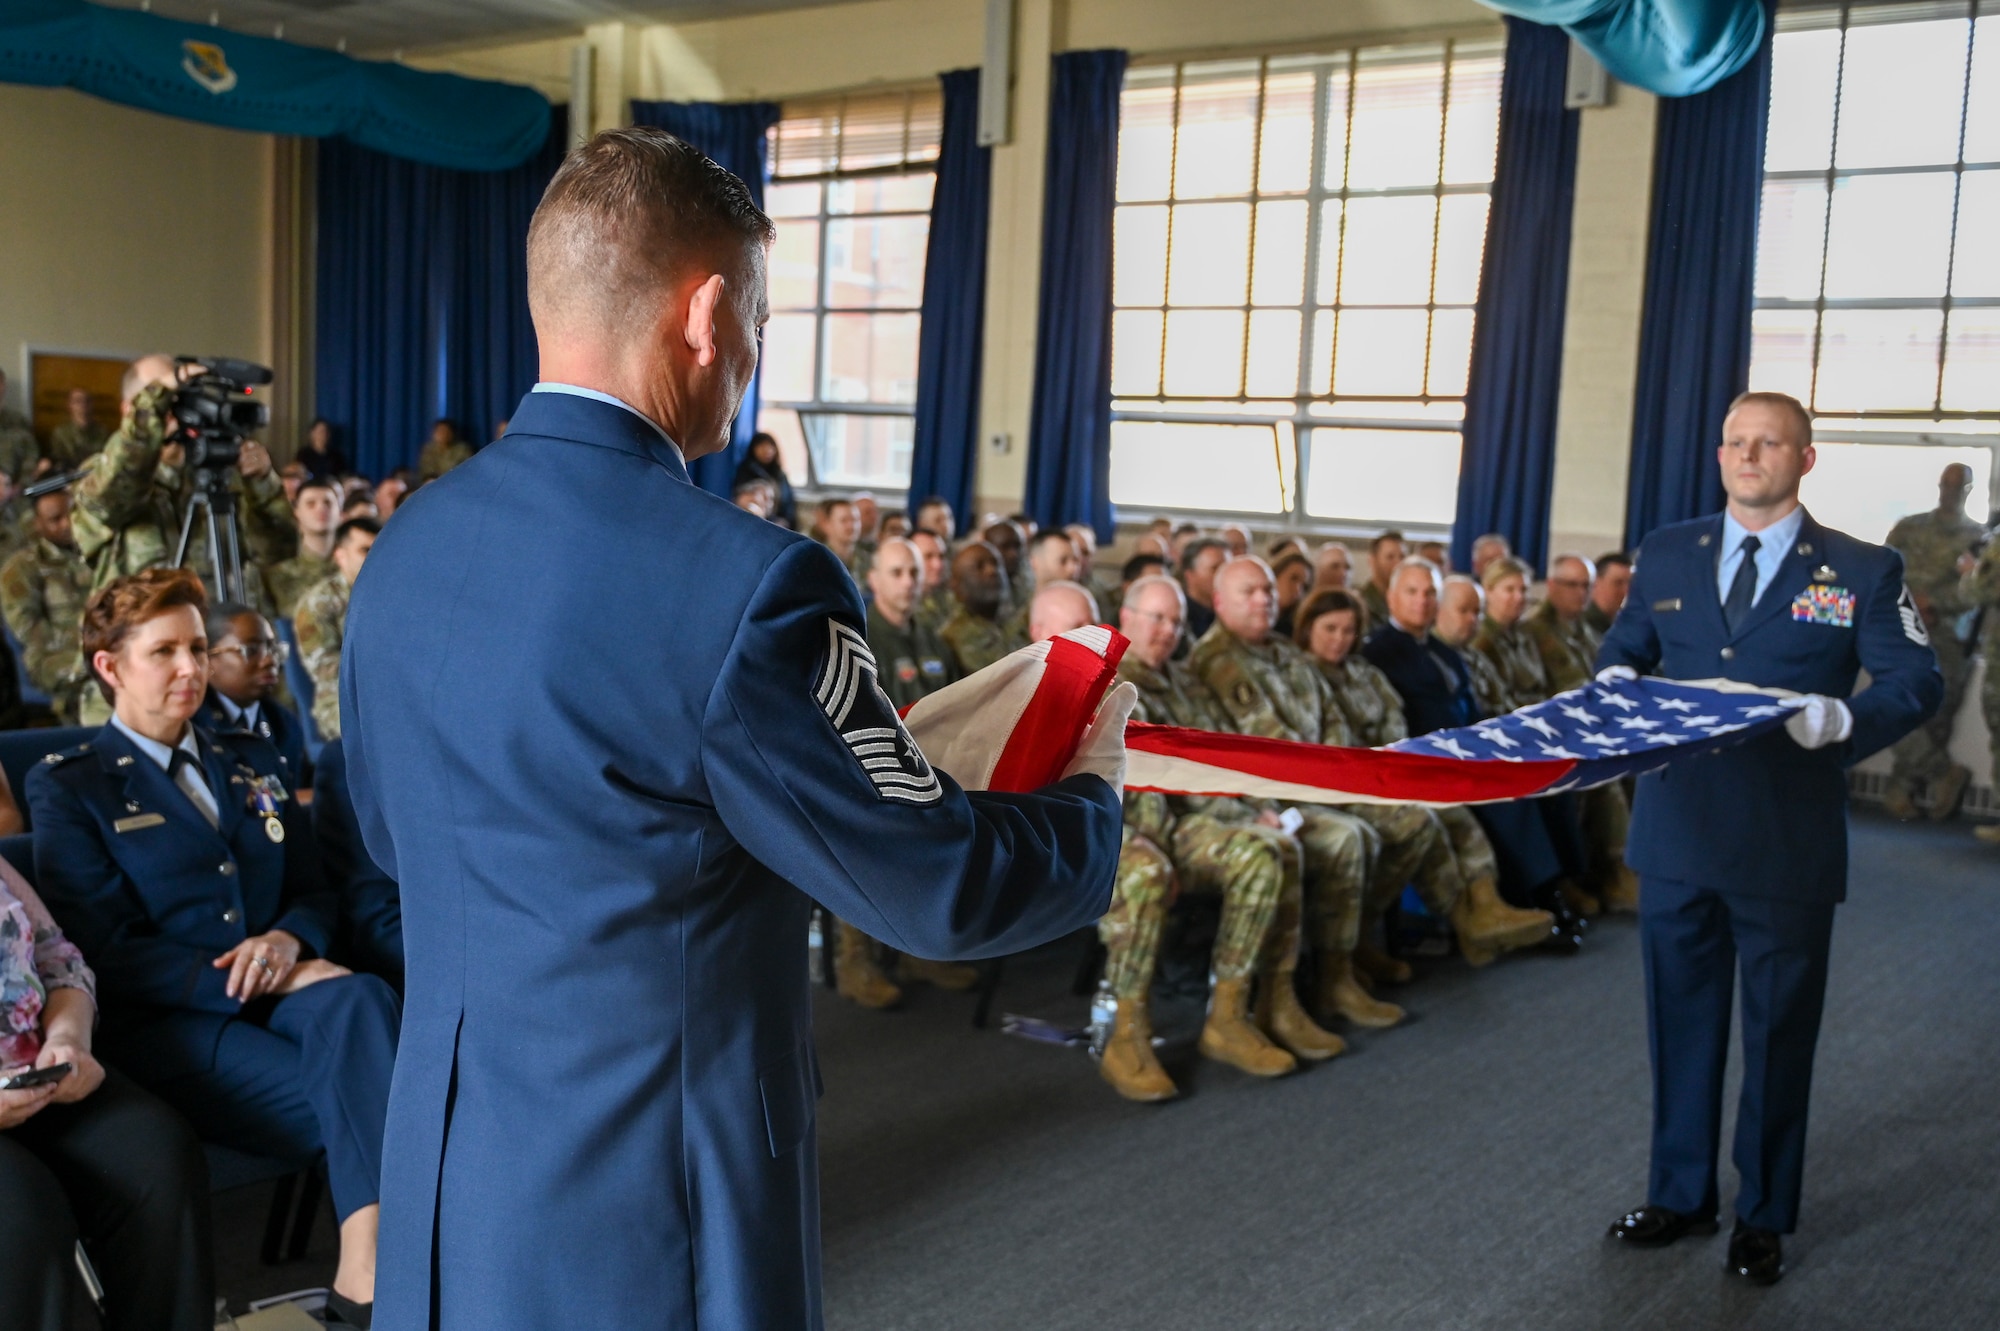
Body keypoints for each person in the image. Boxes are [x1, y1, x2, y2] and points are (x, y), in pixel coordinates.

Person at [337, 125, 1128, 1331]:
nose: (753, 353)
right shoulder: (752, 583)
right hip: (652, 1190)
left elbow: (396, 840)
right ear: (705, 312)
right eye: (758, 320)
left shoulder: (407, 546)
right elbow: (942, 894)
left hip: (448, 1171)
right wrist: (1091, 787)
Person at [1598, 390, 1939, 1285]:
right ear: (1720, 457)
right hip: (1677, 832)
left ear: (1805, 458)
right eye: (1737, 443)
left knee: (1779, 1034)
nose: (1750, 456)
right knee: (1681, 1025)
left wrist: (1846, 719)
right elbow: (1624, 647)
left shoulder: (1863, 568)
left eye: (1771, 443)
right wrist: (1614, 680)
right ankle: (1679, 1194)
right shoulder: (1668, 549)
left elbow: (1915, 679)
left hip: (1785, 844)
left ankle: (1764, 1214)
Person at [28, 567, 400, 1329]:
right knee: (381, 1090)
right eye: (164, 651)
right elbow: (101, 946)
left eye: (198, 647)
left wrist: (289, 938)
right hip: (175, 1020)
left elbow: (316, 889)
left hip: (285, 990)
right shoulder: (72, 784)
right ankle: (389, 1278)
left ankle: (365, 1269)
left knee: (363, 998)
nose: (191, 668)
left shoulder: (249, 754)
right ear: (110, 666)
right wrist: (256, 977)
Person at [1098, 575, 1344, 1099]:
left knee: (1275, 849)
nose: (1166, 631)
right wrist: (1233, 816)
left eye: (1175, 621)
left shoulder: (1186, 682)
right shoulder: (1112, 684)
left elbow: (1219, 758)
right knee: (1147, 875)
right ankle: (1127, 1032)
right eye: (1156, 618)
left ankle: (1247, 1008)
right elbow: (1140, 785)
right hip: (1140, 827)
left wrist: (1259, 809)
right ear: (1128, 615)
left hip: (1192, 824)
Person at [1187, 558, 1407, 1029]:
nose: (1263, 599)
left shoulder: (1286, 652)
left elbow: (1332, 721)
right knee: (1352, 838)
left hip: (1318, 780)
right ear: (1220, 601)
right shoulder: (1218, 659)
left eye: (1268, 590)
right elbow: (1266, 744)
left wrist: (1338, 772)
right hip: (1270, 791)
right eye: (1249, 592)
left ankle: (1342, 958)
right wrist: (1322, 778)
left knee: (1408, 821)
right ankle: (1308, 981)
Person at [0, 852, 214, 1331]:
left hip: (35, 1066)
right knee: (21, 1219)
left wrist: (67, 1040)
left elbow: (60, 963)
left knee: (158, 1155)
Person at [1293, 588, 1551, 969]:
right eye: (1330, 629)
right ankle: (1459, 920)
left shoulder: (1363, 672)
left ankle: (1482, 905)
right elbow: (1323, 743)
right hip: (1336, 780)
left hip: (1384, 769)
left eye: (1348, 631)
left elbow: (1393, 722)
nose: (1339, 639)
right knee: (1419, 819)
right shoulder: (1301, 674)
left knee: (1451, 808)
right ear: (1307, 630)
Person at [1361, 560, 1587, 953]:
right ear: (1392, 597)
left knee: (1542, 776)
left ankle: (1553, 891)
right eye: (1412, 592)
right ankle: (1530, 903)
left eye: (1430, 593)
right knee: (1505, 798)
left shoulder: (1442, 651)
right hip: (1427, 758)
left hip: (1469, 748)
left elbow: (1472, 706)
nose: (1422, 601)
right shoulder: (1380, 651)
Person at [828, 539, 978, 1009]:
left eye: (914, 573)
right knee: (860, 843)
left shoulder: (932, 636)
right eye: (896, 573)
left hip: (930, 769)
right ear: (873, 580)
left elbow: (956, 703)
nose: (908, 582)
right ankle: (854, 961)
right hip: (863, 772)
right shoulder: (858, 634)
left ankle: (920, 951)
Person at [71, 355, 298, 601]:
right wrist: (157, 400)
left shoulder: (224, 472)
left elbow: (277, 552)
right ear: (129, 409)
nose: (174, 407)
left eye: (181, 396)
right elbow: (120, 484)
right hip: (140, 633)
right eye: (162, 395)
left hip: (218, 627)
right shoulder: (100, 472)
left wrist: (262, 484)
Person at [1526, 554, 1639, 914]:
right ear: (1553, 586)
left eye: (1585, 586)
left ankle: (1628, 865)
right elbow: (1566, 689)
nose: (1580, 594)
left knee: (1640, 759)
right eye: (1572, 585)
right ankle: (1613, 871)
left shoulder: (1585, 630)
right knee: (1604, 774)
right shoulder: (1538, 630)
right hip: (1559, 729)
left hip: (1593, 725)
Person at [1881, 463, 1983, 821]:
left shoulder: (1979, 537)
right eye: (1946, 484)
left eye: (1958, 486)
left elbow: (1977, 594)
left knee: (1937, 716)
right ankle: (1943, 773)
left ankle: (1900, 790)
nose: (1950, 491)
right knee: (1895, 704)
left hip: (1949, 636)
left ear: (1970, 489)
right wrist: (1911, 603)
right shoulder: (1910, 527)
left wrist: (1935, 605)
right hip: (1903, 626)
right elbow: (1883, 570)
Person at [0, 489, 93, 723]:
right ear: (37, 524)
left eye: (72, 514)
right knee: (97, 672)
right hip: (50, 657)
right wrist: (88, 644)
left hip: (98, 648)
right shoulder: (21, 568)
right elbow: (29, 633)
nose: (67, 524)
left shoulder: (98, 554)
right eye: (55, 519)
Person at [199, 601, 311, 789]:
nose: (269, 660)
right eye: (250, 650)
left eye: (272, 648)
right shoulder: (194, 725)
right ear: (207, 660)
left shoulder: (283, 723)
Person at [294, 517, 379, 741]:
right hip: (341, 699)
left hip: (387, 694)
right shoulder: (319, 603)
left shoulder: (389, 597)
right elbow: (328, 670)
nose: (375, 557)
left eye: (379, 549)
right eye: (365, 550)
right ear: (340, 556)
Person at [1473, 556, 1551, 708]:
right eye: (1509, 589)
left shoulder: (1525, 633)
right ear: (1488, 591)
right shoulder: (1481, 639)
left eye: (1524, 590)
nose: (1519, 597)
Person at [265, 477, 340, 617]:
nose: (321, 509)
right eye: (311, 504)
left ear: (340, 512)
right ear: (296, 513)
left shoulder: (355, 569)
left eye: (328, 503)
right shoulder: (279, 576)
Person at [939, 539, 1012, 675]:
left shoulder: (1019, 626)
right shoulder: (950, 639)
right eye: (979, 567)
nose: (992, 571)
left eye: (996, 564)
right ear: (957, 585)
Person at [1002, 529, 1082, 644]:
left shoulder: (1085, 607)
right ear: (1034, 562)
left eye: (1075, 560)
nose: (1073, 569)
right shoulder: (1019, 618)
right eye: (1063, 561)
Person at [733, 431, 797, 528]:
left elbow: (789, 504)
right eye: (762, 446)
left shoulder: (780, 475)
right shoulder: (745, 471)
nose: (767, 450)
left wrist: (786, 521)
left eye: (770, 446)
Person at [46, 387, 109, 471]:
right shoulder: (61, 433)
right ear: (70, 405)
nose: (83, 405)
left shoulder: (102, 432)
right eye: (78, 401)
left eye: (87, 401)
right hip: (69, 476)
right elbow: (58, 460)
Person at [1179, 536, 1228, 641]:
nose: (1224, 576)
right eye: (1215, 569)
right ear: (1189, 575)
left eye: (1227, 569)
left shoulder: (1232, 614)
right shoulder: (1178, 617)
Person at [811, 497, 868, 584]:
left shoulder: (867, 559)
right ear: (827, 525)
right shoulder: (817, 560)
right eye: (844, 520)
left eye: (855, 520)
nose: (851, 526)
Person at [909, 529, 955, 629]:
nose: (938, 565)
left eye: (941, 557)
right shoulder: (905, 609)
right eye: (928, 556)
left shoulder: (950, 599)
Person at [1360, 530, 1405, 624]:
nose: (1398, 563)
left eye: (1402, 557)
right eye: (1390, 557)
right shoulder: (1362, 603)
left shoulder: (1409, 600)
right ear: (1372, 561)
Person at [1587, 552, 1633, 637]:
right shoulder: (1583, 626)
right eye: (1618, 583)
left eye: (1630, 583)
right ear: (1595, 583)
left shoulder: (1625, 623)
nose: (1626, 590)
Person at [416, 418, 472, 483]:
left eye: (446, 431)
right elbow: (425, 471)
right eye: (440, 431)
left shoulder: (463, 449)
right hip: (434, 484)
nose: (443, 434)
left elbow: (467, 470)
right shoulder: (428, 449)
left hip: (456, 482)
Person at [1271, 550, 1313, 637]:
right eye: (1294, 578)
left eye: (1304, 586)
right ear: (1274, 575)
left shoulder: (1295, 629)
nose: (1298, 590)